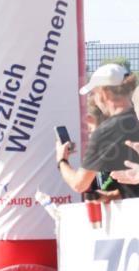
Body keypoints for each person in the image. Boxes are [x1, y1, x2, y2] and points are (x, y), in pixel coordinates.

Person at [57, 64, 139, 199]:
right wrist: (116, 195)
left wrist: (62, 161)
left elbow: (79, 184)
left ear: (103, 93)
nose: (94, 99)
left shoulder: (107, 131)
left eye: (94, 93)